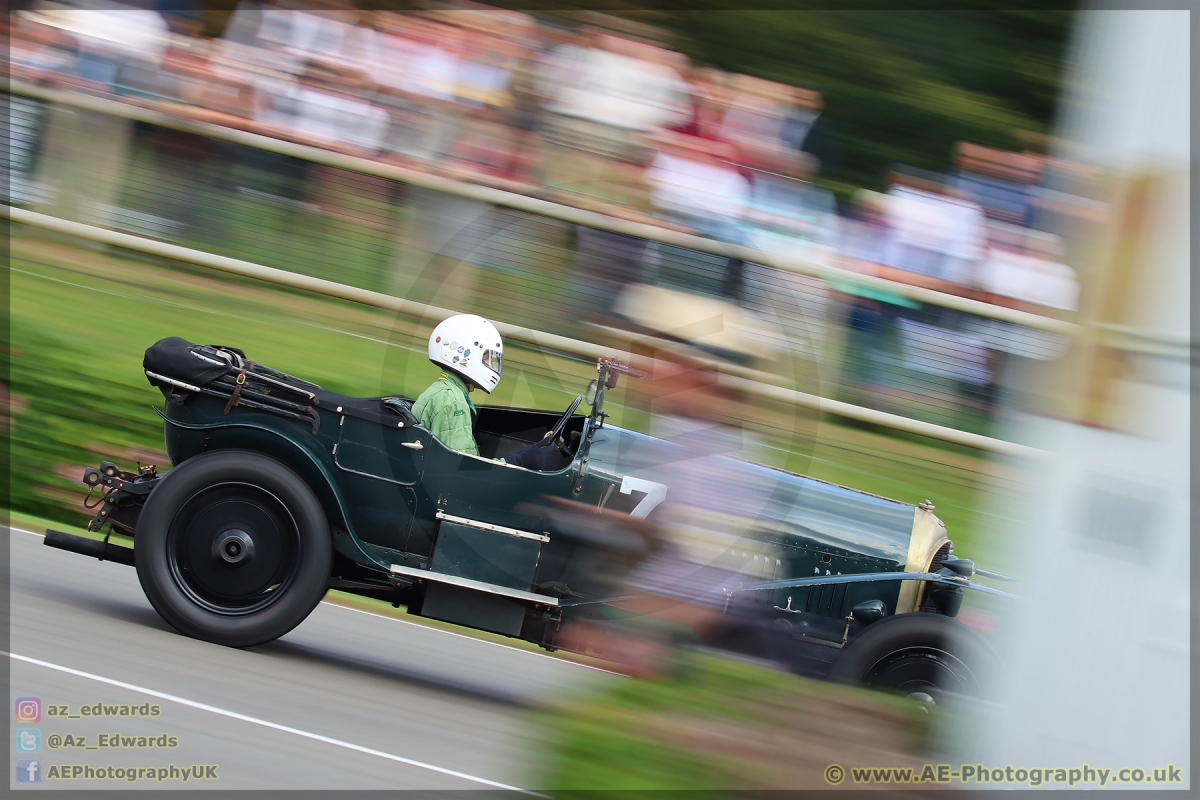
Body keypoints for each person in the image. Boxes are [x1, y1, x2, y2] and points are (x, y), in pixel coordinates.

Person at [412, 313, 559, 470]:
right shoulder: (453, 401)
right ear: (465, 353)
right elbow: (461, 471)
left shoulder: (443, 391)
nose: (493, 365)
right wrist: (520, 461)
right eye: (489, 358)